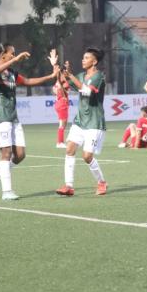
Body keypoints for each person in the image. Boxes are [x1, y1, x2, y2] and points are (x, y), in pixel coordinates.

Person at [0, 44, 59, 200]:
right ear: (2, 55)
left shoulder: (11, 73)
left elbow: (27, 81)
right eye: (12, 53)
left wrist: (50, 77)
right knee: (6, 153)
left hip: (13, 118)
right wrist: (15, 60)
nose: (14, 55)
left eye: (15, 54)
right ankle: (7, 192)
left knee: (20, 155)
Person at [56, 47, 109, 197]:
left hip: (94, 122)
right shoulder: (80, 75)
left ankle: (101, 182)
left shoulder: (99, 77)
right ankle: (69, 186)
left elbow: (87, 91)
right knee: (69, 149)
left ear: (94, 61)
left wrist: (70, 75)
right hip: (80, 121)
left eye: (86, 58)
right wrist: (59, 70)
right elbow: (64, 84)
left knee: (87, 156)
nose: (83, 60)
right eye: (83, 57)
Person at [53, 60, 71, 149]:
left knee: (62, 124)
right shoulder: (63, 82)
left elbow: (54, 91)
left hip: (58, 102)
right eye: (66, 71)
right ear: (63, 72)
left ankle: (61, 141)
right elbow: (65, 90)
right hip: (62, 103)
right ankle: (60, 142)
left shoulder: (57, 82)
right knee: (62, 125)